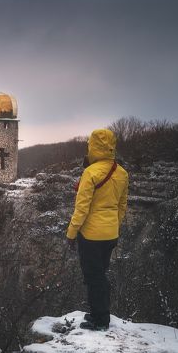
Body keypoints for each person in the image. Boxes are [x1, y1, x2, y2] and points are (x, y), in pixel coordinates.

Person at [65, 128, 129, 330]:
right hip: (110, 233)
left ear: (92, 147)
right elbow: (122, 205)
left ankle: (100, 319)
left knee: (94, 277)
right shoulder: (122, 172)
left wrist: (71, 233)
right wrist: (114, 225)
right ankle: (97, 310)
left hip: (91, 235)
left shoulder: (90, 172)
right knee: (100, 274)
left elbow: (81, 208)